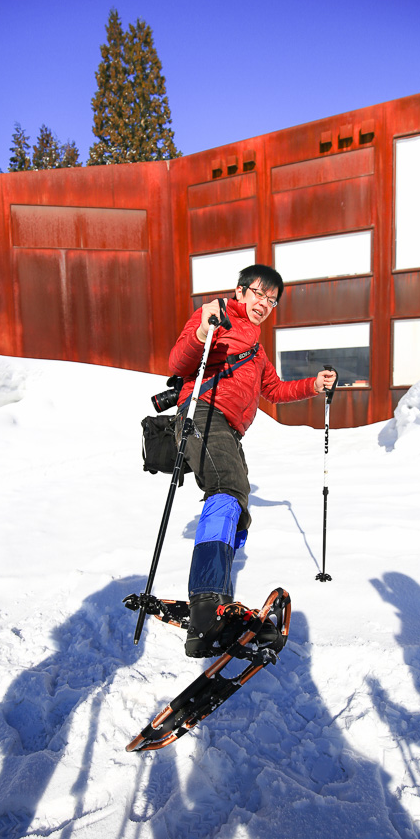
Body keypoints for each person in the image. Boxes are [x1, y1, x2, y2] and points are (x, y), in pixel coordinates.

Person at [170, 264, 336, 657]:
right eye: (259, 294)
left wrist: (314, 385)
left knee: (237, 504)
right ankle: (207, 604)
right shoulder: (217, 316)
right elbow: (178, 362)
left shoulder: (257, 349)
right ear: (241, 292)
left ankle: (215, 597)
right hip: (202, 416)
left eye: (272, 300)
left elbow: (274, 391)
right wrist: (203, 330)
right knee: (228, 491)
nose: (265, 303)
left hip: (227, 430)